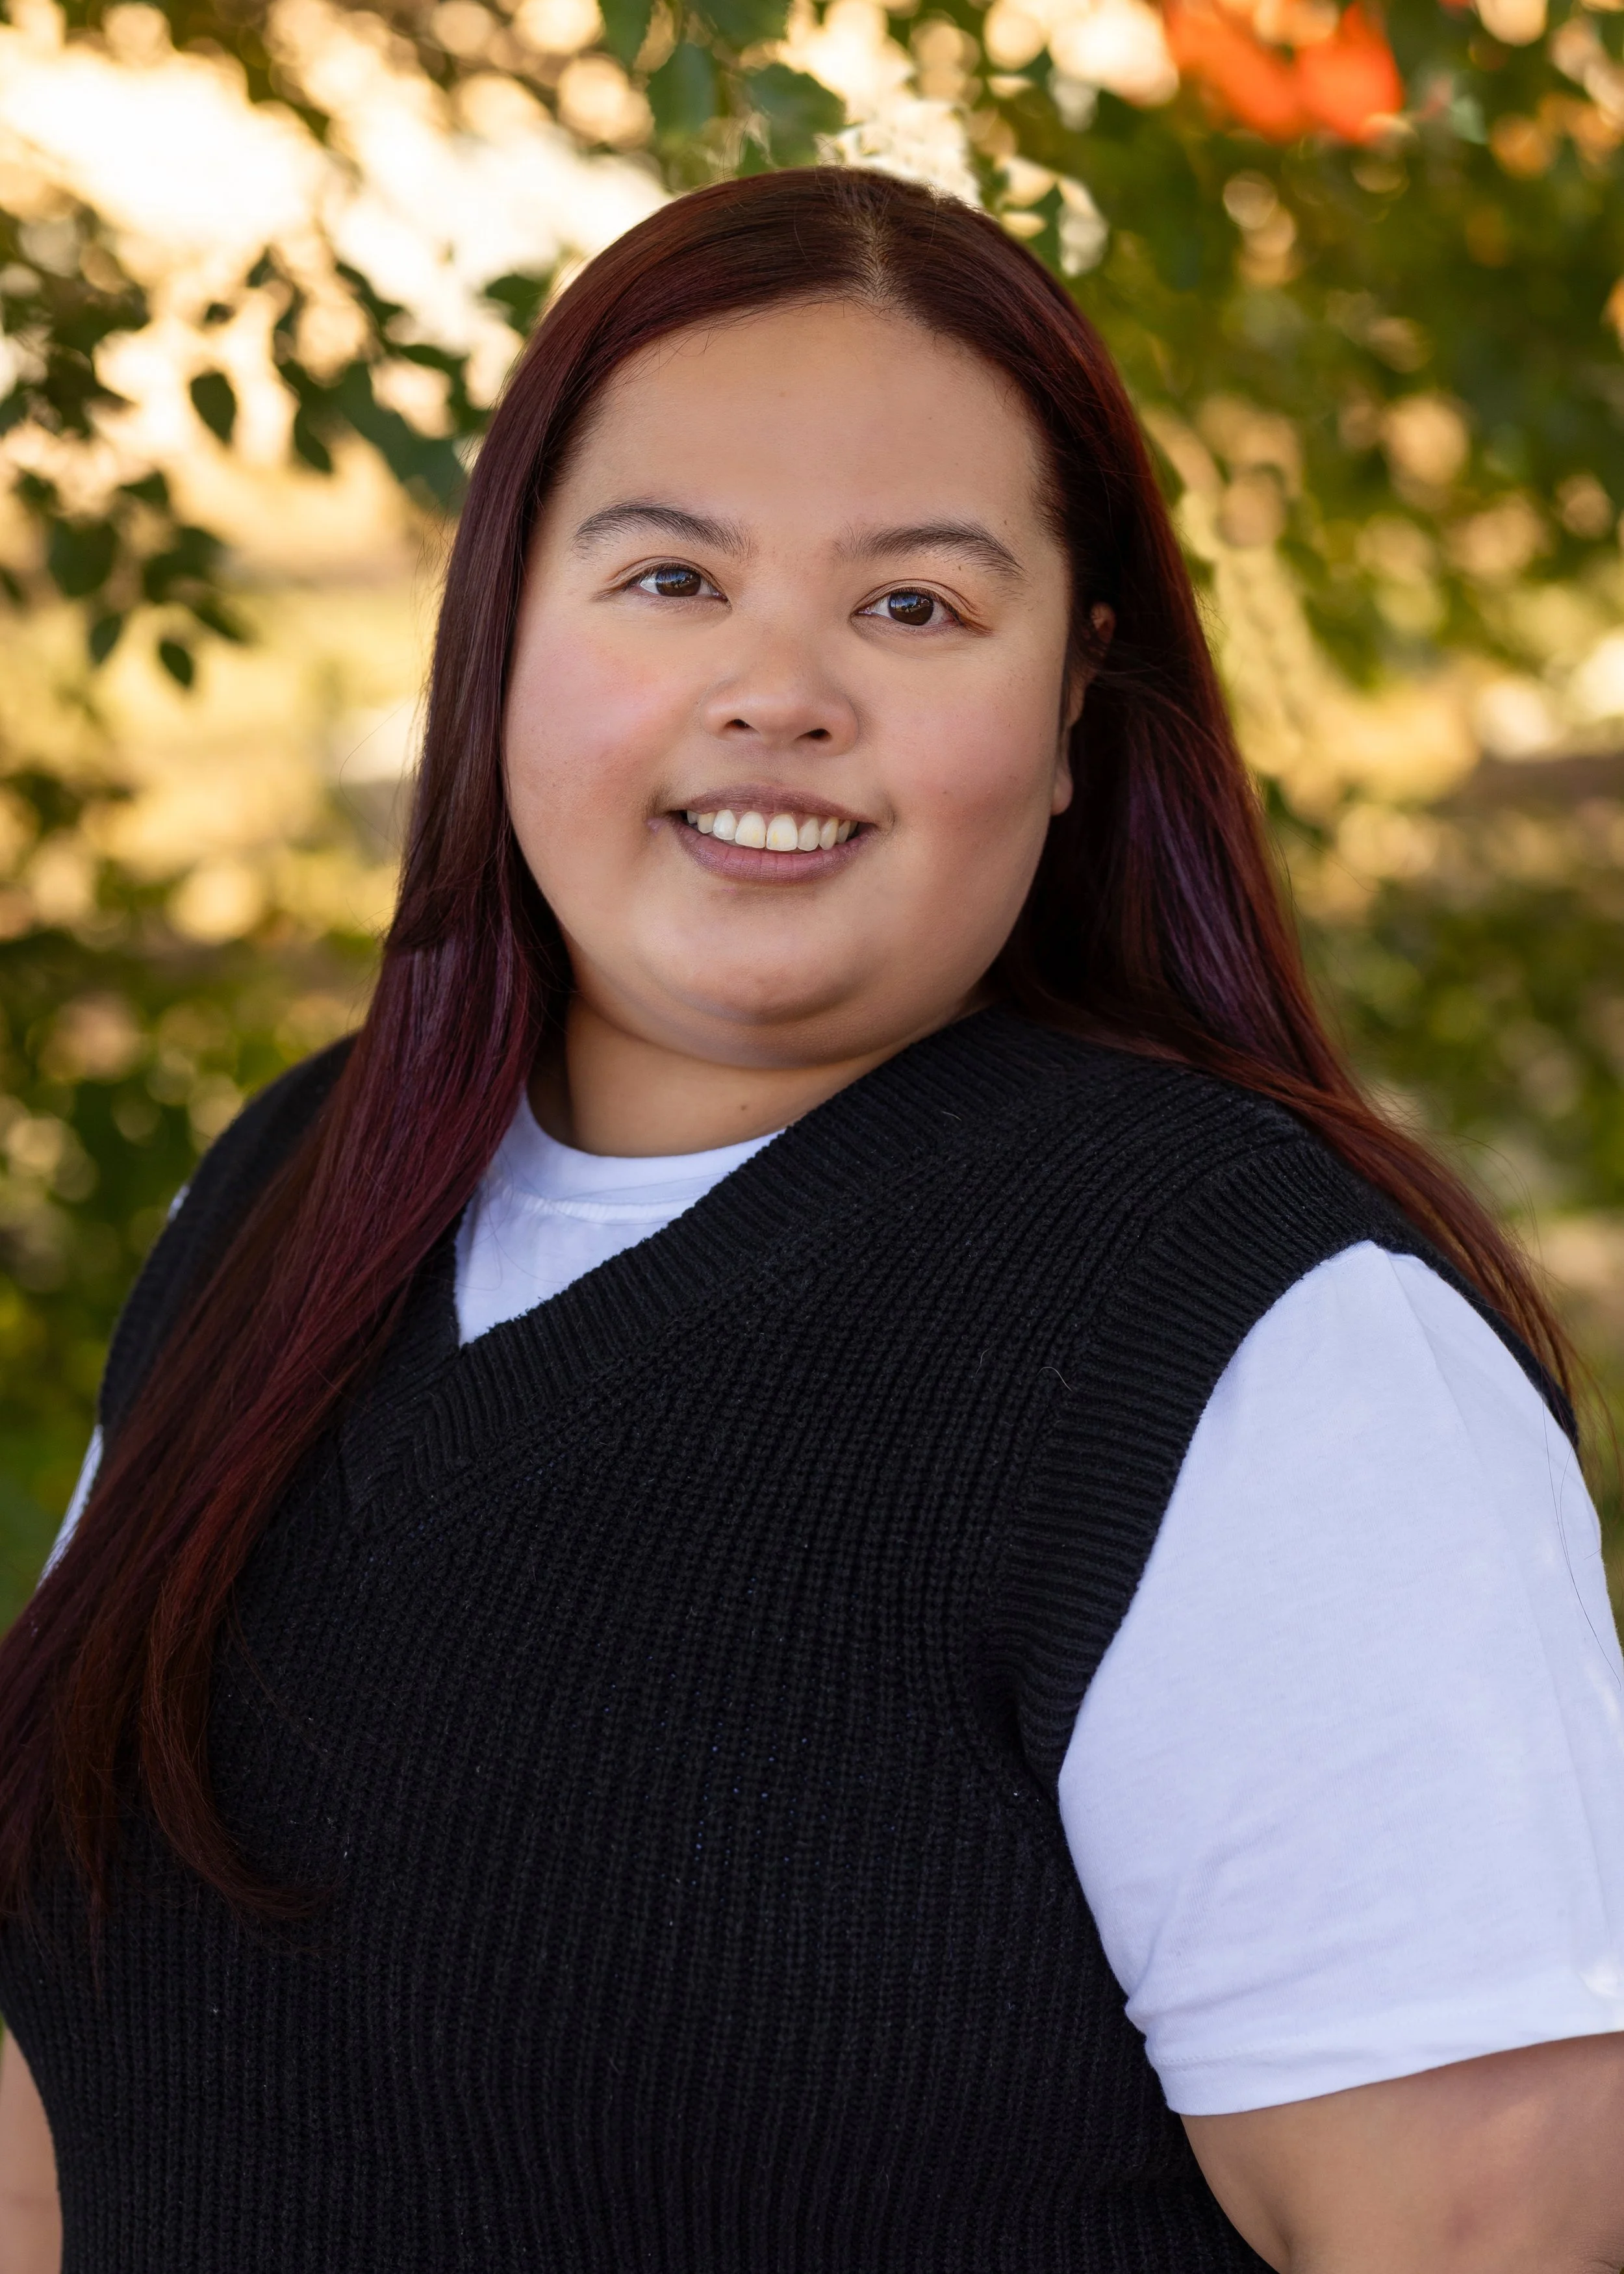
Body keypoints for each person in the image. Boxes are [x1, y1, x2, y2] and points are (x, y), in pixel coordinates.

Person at [0, 164, 1621, 2274]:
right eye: (669, 580)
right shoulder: (285, 1201)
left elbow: (1492, 2229)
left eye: (915, 605)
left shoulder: (1259, 1336)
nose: (778, 690)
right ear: (503, 634)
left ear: (1070, 716)